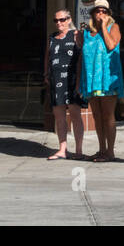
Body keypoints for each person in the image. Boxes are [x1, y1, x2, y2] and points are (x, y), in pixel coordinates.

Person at [80, 0, 122, 163]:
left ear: (108, 14)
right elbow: (81, 57)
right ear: (93, 13)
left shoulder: (114, 27)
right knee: (97, 117)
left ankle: (110, 152)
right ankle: (101, 149)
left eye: (104, 11)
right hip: (91, 81)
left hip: (107, 80)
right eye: (98, 11)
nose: (101, 13)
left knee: (108, 115)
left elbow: (111, 45)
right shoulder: (86, 32)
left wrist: (104, 26)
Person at [45, 8, 85, 160]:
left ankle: (79, 150)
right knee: (59, 116)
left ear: (69, 20)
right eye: (56, 20)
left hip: (72, 79)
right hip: (56, 79)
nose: (59, 23)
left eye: (62, 20)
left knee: (75, 114)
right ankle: (62, 149)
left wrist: (80, 80)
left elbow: (82, 55)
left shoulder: (76, 35)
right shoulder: (52, 37)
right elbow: (47, 56)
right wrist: (46, 73)